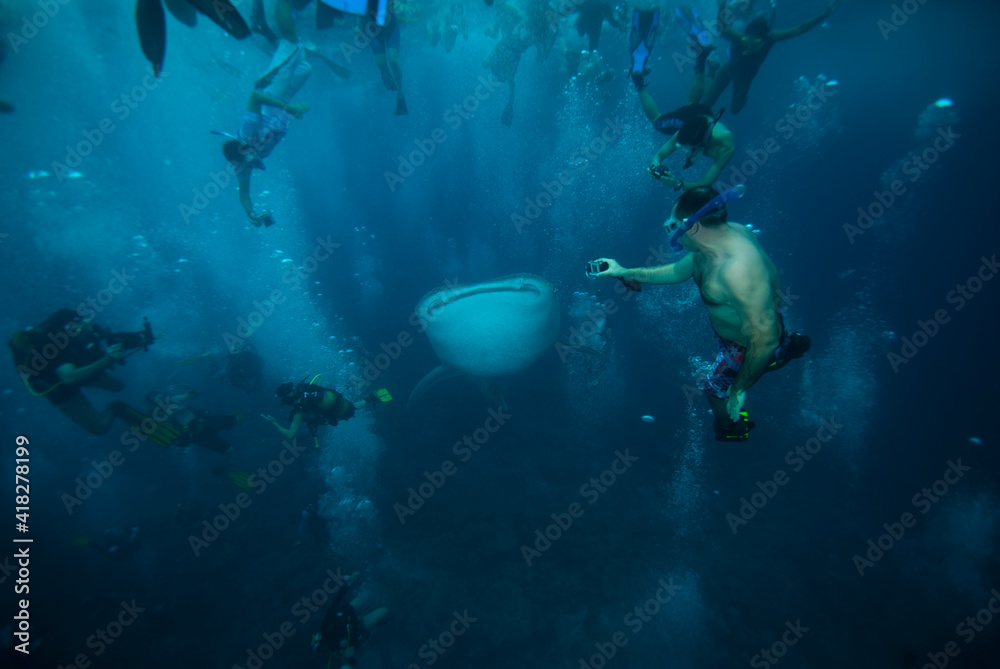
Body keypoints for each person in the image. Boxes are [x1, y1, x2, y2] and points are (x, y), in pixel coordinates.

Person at [593, 186, 810, 442]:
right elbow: (676, 271)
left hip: (746, 346)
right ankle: (787, 348)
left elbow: (764, 340)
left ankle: (732, 430)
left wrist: (738, 389)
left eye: (672, 222)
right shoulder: (718, 241)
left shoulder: (738, 271)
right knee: (773, 340)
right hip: (751, 329)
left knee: (712, 387)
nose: (666, 225)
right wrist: (622, 271)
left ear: (693, 226)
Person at [221, 0, 312, 227]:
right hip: (285, 101)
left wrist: (289, 109)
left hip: (275, 93)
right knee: (304, 66)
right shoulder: (242, 165)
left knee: (292, 42)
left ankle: (273, 14)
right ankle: (264, 32)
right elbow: (244, 193)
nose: (254, 165)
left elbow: (255, 96)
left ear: (245, 149)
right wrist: (250, 214)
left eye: (250, 161)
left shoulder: (247, 132)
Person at [8, 309, 160, 435]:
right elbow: (69, 377)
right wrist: (106, 360)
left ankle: (86, 375)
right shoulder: (49, 348)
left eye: (84, 323)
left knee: (117, 385)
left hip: (73, 367)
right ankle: (116, 408)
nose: (86, 328)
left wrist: (140, 337)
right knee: (100, 427)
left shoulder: (77, 333)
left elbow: (111, 336)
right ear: (67, 330)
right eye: (81, 327)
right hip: (57, 386)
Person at [630, 9, 734, 191]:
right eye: (682, 146)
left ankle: (700, 60)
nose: (683, 151)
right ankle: (640, 83)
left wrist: (678, 184)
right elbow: (658, 155)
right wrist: (655, 164)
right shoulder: (687, 130)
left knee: (678, 111)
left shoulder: (725, 148)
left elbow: (705, 185)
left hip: (705, 114)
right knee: (671, 115)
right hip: (696, 116)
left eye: (685, 147)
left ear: (699, 143)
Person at [702, 0, 838, 114]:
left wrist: (825, 14)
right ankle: (712, 72)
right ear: (746, 35)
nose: (750, 44)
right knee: (706, 104)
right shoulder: (740, 38)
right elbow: (721, 30)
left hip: (744, 79)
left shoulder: (769, 39)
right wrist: (721, 5)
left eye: (755, 41)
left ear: (762, 39)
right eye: (748, 39)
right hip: (728, 70)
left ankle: (727, 83)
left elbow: (799, 29)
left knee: (735, 110)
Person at [262, 377, 389, 439]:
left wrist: (274, 423)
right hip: (343, 403)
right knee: (351, 407)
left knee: (336, 416)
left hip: (336, 414)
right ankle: (370, 398)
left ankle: (369, 399)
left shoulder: (299, 409)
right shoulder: (305, 387)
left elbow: (291, 435)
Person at [310, 571, 389, 667]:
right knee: (384, 610)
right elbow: (352, 655)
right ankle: (387, 601)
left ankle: (382, 580)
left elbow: (335, 603)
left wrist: (348, 584)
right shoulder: (335, 649)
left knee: (369, 592)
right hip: (359, 625)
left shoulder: (325, 626)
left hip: (349, 612)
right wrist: (351, 650)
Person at [144, 386, 240, 453]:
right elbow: (164, 431)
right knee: (228, 449)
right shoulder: (156, 416)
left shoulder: (173, 400)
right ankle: (220, 468)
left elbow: (196, 393)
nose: (161, 401)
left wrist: (191, 389)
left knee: (234, 420)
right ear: (153, 404)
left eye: (161, 398)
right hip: (194, 434)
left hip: (202, 422)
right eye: (157, 401)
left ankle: (220, 467)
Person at [362, 0, 408, 115]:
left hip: (391, 27)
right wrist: (359, 27)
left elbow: (400, 4)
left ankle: (400, 94)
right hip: (374, 30)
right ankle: (387, 77)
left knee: (393, 60)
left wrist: (400, 4)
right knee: (381, 63)